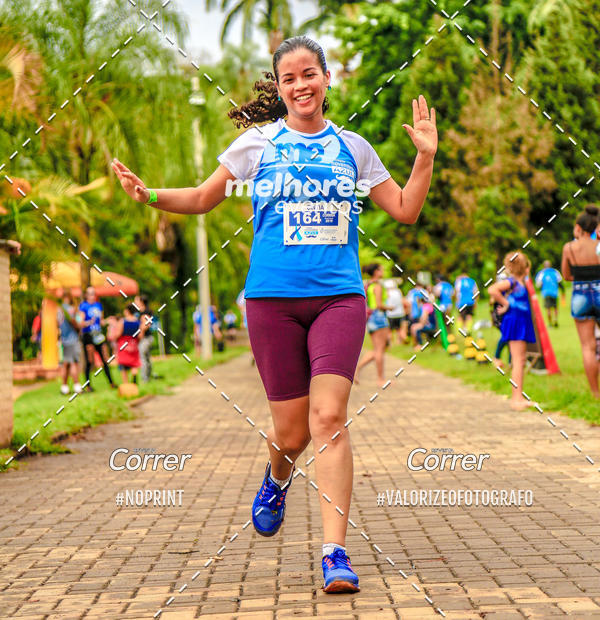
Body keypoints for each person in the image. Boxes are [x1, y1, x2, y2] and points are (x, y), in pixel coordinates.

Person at [111, 34, 437, 594]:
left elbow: (405, 210)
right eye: (289, 78)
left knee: (328, 418)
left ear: (326, 78)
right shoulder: (257, 145)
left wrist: (425, 157)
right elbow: (201, 197)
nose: (300, 85)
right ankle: (277, 476)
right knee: (291, 432)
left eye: (309, 73)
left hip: (339, 297)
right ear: (280, 88)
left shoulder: (354, 148)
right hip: (271, 302)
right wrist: (149, 196)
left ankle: (335, 552)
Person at [561, 204, 600, 398]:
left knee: (588, 346)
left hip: (580, 296)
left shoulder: (569, 248)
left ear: (578, 227)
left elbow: (566, 275)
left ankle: (595, 393)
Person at [488, 251, 536, 410]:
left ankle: (519, 396)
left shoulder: (521, 282)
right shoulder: (512, 282)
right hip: (515, 321)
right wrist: (506, 303)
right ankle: (516, 399)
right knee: (517, 361)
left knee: (520, 361)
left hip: (520, 321)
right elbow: (492, 290)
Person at [354, 263, 390, 386]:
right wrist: (390, 307)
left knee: (377, 349)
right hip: (379, 316)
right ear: (376, 271)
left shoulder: (368, 285)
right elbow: (379, 305)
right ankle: (380, 379)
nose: (383, 270)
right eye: (381, 269)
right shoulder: (378, 286)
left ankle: (357, 369)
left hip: (371, 318)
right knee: (380, 349)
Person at [78, 286, 117, 391]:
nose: (92, 296)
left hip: (98, 334)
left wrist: (109, 320)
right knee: (89, 361)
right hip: (88, 335)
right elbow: (79, 322)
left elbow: (101, 321)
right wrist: (87, 323)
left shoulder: (98, 306)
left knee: (105, 359)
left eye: (93, 293)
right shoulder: (83, 306)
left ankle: (111, 382)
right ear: (86, 295)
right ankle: (88, 385)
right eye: (90, 294)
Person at [58, 292, 83, 395]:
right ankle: (77, 386)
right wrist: (78, 326)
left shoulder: (58, 310)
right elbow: (78, 322)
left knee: (65, 365)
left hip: (63, 340)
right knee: (74, 363)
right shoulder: (71, 309)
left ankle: (64, 387)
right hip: (72, 339)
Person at [113, 304, 144, 385]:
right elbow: (140, 335)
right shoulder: (137, 322)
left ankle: (126, 383)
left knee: (123, 364)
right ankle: (134, 375)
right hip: (134, 343)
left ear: (127, 311)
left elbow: (118, 334)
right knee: (134, 362)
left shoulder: (122, 321)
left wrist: (115, 338)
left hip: (124, 343)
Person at [535, 260, 563, 328]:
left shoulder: (542, 273)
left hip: (546, 293)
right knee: (555, 308)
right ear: (550, 265)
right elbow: (560, 282)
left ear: (544, 266)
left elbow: (538, 284)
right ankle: (555, 320)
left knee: (548, 309)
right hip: (554, 292)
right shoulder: (555, 272)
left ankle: (550, 324)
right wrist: (562, 290)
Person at [137, 293, 157, 382]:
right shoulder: (147, 311)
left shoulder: (144, 312)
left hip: (145, 338)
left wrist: (141, 332)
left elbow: (146, 324)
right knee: (147, 358)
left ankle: (145, 378)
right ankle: (149, 376)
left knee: (143, 359)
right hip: (149, 338)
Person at [383, 277, 407, 345]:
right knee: (399, 329)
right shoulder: (398, 291)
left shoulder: (386, 293)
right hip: (400, 313)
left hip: (390, 314)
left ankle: (390, 343)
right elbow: (402, 301)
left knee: (389, 330)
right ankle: (399, 342)